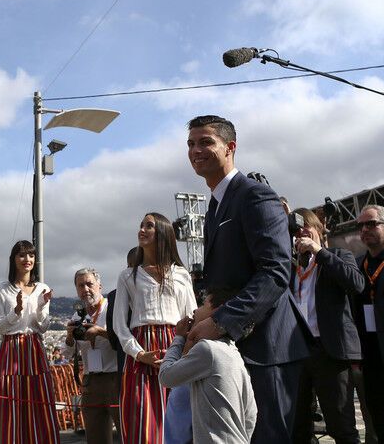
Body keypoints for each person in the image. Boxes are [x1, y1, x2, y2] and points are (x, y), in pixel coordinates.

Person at [185, 115, 309, 444]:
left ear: (230, 148)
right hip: (236, 348)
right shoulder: (214, 209)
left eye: (205, 142)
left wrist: (221, 321)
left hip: (268, 350)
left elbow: (275, 271)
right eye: (191, 144)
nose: (196, 150)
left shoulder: (256, 196)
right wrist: (205, 311)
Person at [113, 213, 197, 444]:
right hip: (141, 352)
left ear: (162, 232)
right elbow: (119, 325)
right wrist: (139, 354)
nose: (142, 229)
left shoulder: (180, 274)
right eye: (141, 225)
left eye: (149, 226)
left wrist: (185, 351)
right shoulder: (128, 276)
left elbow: (191, 315)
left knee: (180, 421)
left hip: (176, 347)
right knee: (143, 424)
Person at [289, 208, 363, 444]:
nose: (302, 234)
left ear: (319, 230)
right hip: (298, 352)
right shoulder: (291, 267)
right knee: (298, 426)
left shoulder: (338, 255)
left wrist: (319, 252)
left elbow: (356, 284)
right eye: (296, 232)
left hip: (330, 351)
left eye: (306, 228)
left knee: (340, 426)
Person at [159, 286, 257, 444]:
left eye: (203, 304)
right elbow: (251, 415)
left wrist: (178, 338)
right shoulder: (234, 353)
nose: (195, 310)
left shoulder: (207, 349)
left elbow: (165, 376)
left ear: (216, 312)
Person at [0, 240, 60, 444]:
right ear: (13, 260)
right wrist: (16, 312)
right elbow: (0, 327)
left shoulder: (42, 288)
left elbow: (43, 326)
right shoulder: (2, 289)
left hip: (35, 347)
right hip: (11, 348)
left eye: (30, 255)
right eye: (21, 255)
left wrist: (40, 306)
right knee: (9, 400)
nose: (27, 259)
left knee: (39, 400)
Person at [352, 205, 384, 442]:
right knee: (383, 429)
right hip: (370, 364)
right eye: (360, 225)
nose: (364, 230)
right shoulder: (355, 266)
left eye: (371, 224)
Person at [63, 267, 120, 444]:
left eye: (89, 284)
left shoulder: (113, 308)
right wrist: (70, 336)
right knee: (95, 438)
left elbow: (124, 340)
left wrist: (100, 332)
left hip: (115, 379)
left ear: (100, 286)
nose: (85, 289)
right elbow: (67, 353)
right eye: (81, 286)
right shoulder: (77, 315)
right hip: (90, 382)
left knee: (128, 433)